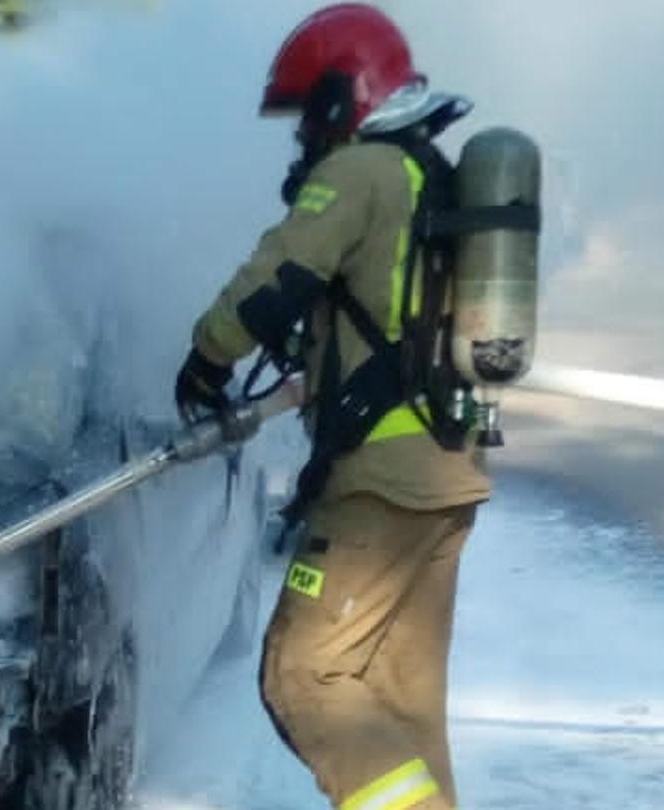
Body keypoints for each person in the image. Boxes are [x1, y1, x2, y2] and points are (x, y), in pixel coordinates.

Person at [172, 4, 495, 807]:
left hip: (383, 479)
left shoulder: (360, 171)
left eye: (306, 118)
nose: (302, 140)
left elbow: (276, 276)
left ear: (338, 100)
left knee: (303, 673)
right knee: (396, 706)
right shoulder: (426, 170)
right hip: (442, 474)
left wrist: (207, 359)